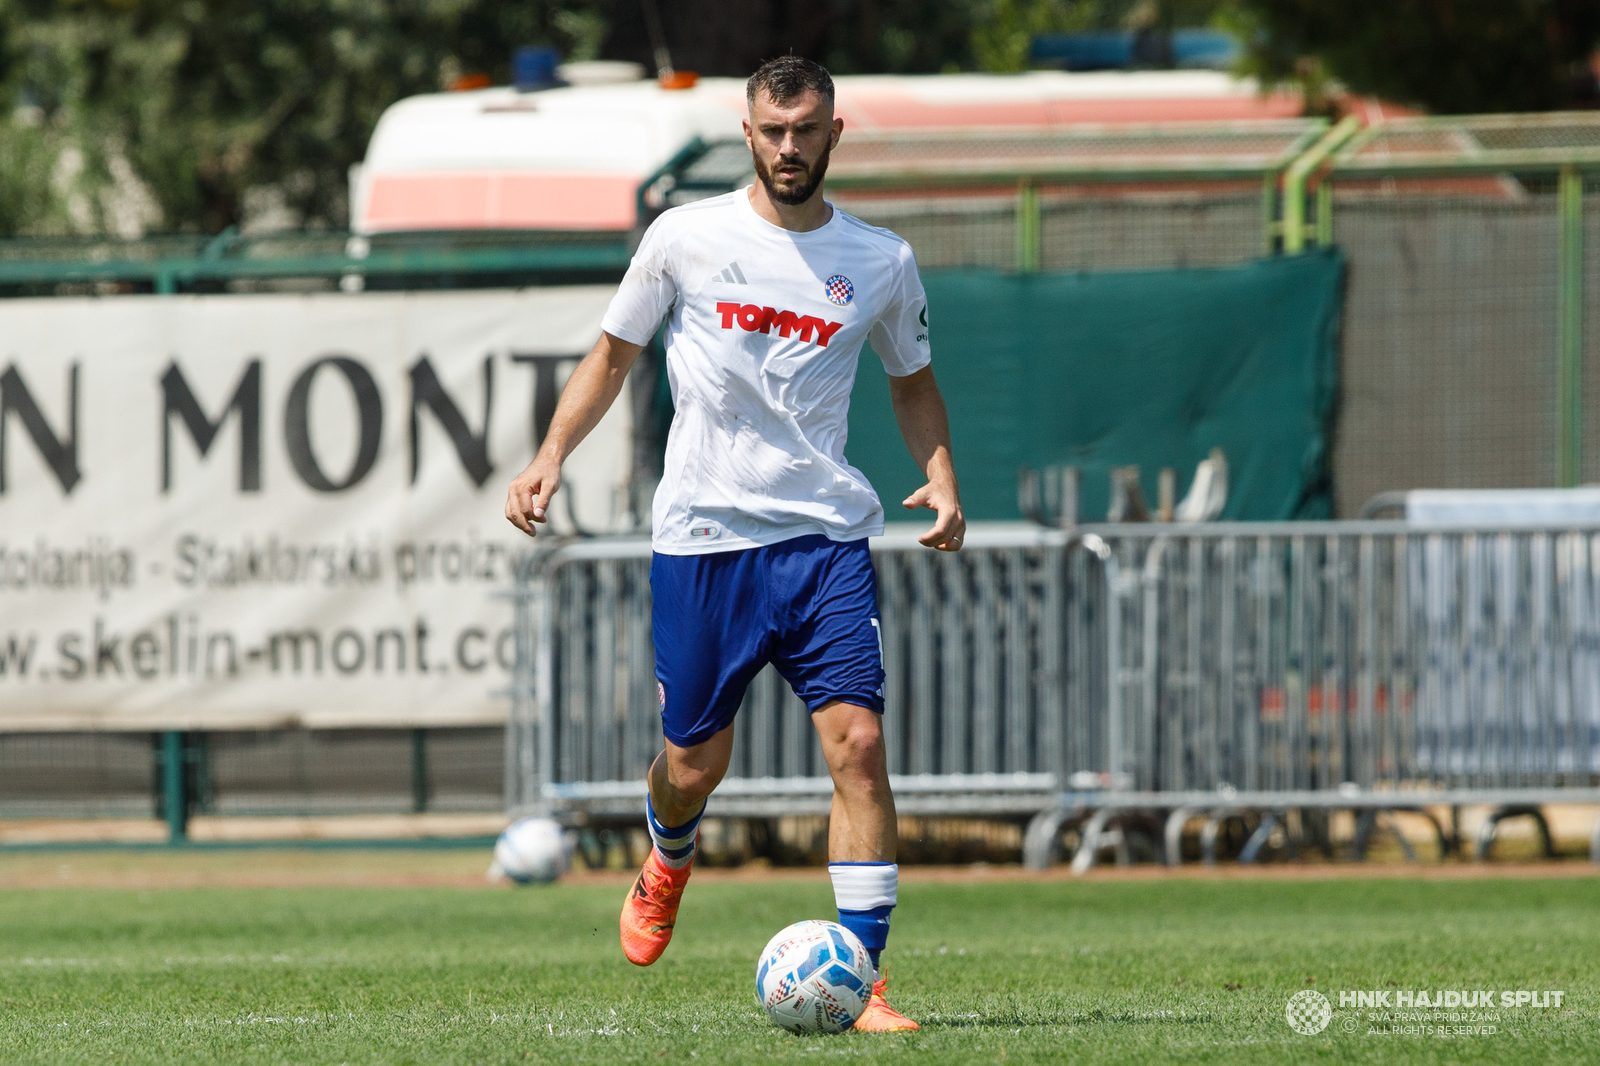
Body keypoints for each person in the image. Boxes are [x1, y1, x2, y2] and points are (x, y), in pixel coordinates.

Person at [504, 54, 963, 1033]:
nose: (789, 147)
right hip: (705, 543)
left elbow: (911, 377)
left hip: (824, 541)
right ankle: (669, 854)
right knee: (691, 762)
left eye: (806, 130)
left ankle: (864, 980)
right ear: (747, 134)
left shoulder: (880, 259)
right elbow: (613, 354)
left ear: (833, 133)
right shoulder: (685, 237)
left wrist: (942, 473)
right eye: (772, 130)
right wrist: (549, 455)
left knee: (861, 747)